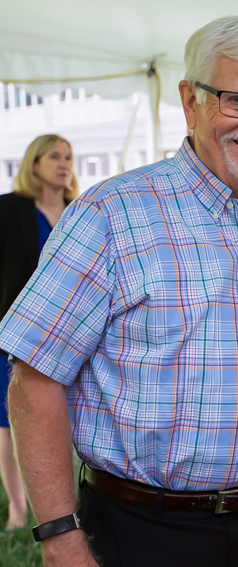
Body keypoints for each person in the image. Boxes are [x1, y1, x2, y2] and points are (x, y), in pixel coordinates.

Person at [0, 16, 238, 567]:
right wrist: (60, 537)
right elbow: (34, 379)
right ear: (190, 101)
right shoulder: (110, 215)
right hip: (140, 532)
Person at [0, 134, 78, 530]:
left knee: (65, 424)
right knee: (10, 428)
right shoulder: (9, 209)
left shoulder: (77, 211)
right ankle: (18, 509)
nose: (64, 163)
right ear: (34, 164)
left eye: (68, 157)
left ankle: (65, 504)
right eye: (54, 156)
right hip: (15, 339)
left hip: (70, 337)